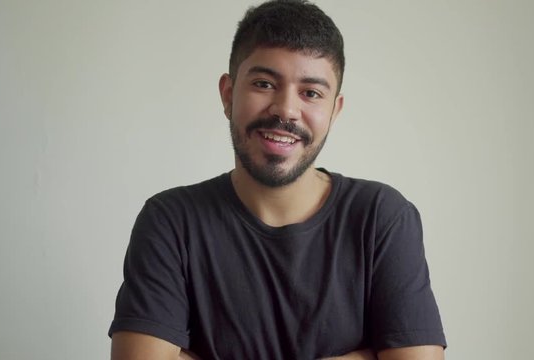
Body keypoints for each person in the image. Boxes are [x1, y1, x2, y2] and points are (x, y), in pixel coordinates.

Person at [108, 0, 447, 359]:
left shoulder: (382, 217)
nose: (285, 109)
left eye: (311, 93)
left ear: (335, 110)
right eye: (264, 83)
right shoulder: (171, 220)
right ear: (228, 94)